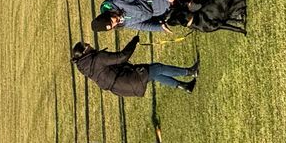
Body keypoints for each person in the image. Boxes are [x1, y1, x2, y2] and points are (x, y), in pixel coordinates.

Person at [91, 0, 245, 34]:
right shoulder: (123, 22)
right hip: (163, 12)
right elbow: (142, 25)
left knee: (202, 3)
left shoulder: (118, 1)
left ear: (108, 14)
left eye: (112, 20)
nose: (116, 22)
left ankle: (236, 2)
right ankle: (234, 15)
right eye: (113, 26)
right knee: (201, 17)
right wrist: (160, 27)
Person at [71, 36, 199, 94]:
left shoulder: (86, 68)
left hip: (122, 88)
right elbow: (122, 57)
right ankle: (190, 72)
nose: (89, 44)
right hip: (130, 80)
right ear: (85, 50)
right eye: (87, 45)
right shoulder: (97, 59)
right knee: (157, 68)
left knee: (153, 74)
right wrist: (133, 42)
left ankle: (185, 86)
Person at [164, 0, 246, 33]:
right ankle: (238, 19)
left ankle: (239, 18)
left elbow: (220, 25)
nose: (189, 11)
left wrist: (239, 30)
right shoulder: (198, 21)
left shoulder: (201, 25)